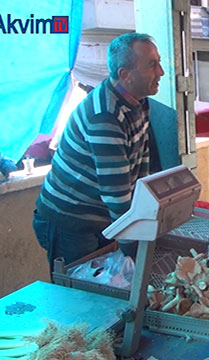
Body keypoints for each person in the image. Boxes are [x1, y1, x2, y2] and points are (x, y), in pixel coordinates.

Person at [33, 33, 164, 271]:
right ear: (125, 74)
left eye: (159, 62)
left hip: (103, 218)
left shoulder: (138, 101)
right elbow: (116, 193)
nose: (161, 72)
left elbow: (141, 167)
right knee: (84, 296)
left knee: (112, 284)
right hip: (70, 221)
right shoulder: (105, 116)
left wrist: (142, 217)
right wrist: (133, 248)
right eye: (152, 65)